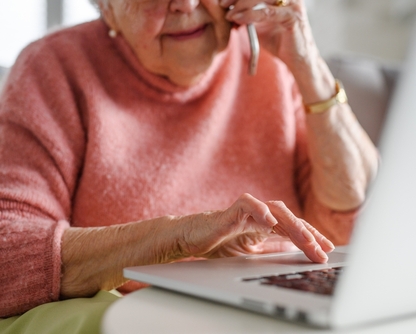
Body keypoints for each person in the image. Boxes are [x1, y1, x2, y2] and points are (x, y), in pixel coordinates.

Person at [0, 0, 379, 325]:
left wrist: (307, 64)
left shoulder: (270, 58)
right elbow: (11, 257)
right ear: (107, 9)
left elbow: (341, 229)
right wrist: (177, 239)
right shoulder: (54, 68)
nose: (185, 3)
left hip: (280, 313)